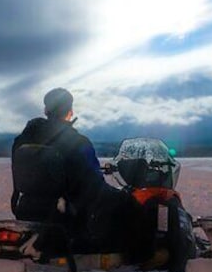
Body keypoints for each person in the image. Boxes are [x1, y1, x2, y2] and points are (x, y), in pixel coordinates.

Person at [11, 88, 150, 258]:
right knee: (130, 203)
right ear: (69, 111)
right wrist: (120, 195)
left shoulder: (23, 139)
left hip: (27, 206)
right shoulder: (76, 141)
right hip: (67, 209)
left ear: (46, 110)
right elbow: (92, 183)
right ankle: (137, 259)